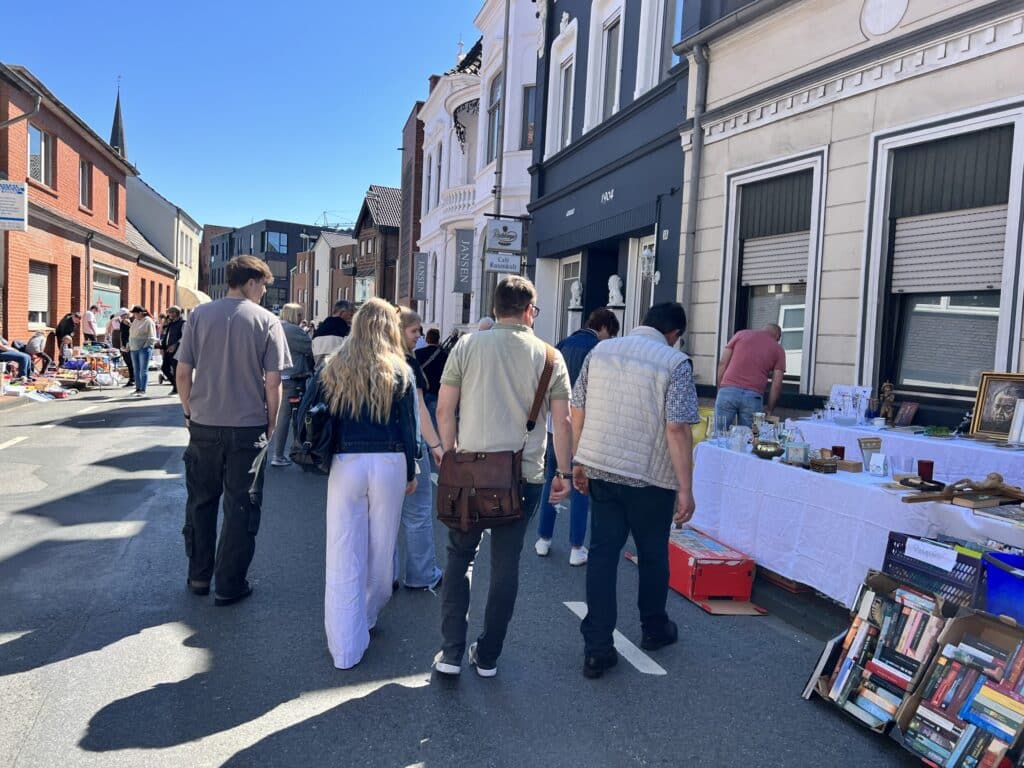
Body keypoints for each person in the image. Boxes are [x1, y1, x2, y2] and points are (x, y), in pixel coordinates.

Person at [433, 276, 573, 678]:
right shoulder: (550, 357)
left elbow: (444, 409)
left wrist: (448, 454)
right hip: (523, 476)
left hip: (469, 472)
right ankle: (488, 655)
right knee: (506, 564)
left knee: (460, 557)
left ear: (495, 309)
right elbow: (562, 421)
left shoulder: (467, 346)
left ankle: (451, 653)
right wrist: (563, 472)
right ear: (529, 311)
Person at [571, 302, 699, 679]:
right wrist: (685, 487)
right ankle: (654, 628)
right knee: (653, 554)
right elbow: (677, 428)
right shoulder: (675, 363)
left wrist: (579, 459)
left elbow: (577, 410)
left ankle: (597, 647)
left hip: (602, 468)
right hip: (650, 476)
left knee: (602, 555)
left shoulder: (601, 351)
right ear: (674, 334)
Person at [175, 255, 291, 607]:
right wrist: (272, 421)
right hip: (247, 426)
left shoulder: (199, 316)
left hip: (204, 424)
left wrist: (188, 411)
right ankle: (229, 584)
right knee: (242, 506)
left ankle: (199, 576)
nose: (264, 292)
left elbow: (183, 372)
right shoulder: (267, 321)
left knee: (201, 502)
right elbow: (273, 382)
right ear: (251, 282)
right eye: (264, 285)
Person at [321, 298, 418, 669]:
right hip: (390, 461)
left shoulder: (334, 366)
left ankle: (344, 645)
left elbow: (314, 415)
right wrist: (412, 471)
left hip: (346, 461)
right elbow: (409, 428)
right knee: (381, 548)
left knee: (342, 549)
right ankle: (369, 613)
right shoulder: (400, 371)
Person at [536, 307, 620, 567]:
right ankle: (576, 547)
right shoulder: (599, 350)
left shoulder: (562, 344)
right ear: (604, 328)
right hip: (583, 427)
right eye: (611, 334)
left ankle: (543, 539)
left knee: (553, 478)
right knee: (580, 483)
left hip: (554, 425)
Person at [396, 309, 444, 591]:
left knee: (385, 517)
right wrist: (436, 445)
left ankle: (386, 575)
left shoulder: (373, 358)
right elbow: (419, 411)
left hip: (379, 449)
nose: (419, 336)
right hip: (411, 447)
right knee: (417, 512)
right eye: (414, 331)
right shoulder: (407, 364)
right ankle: (421, 573)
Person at [714, 323, 786, 428]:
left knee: (718, 432)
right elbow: (776, 384)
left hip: (728, 391)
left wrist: (720, 389)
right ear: (777, 336)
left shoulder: (740, 335)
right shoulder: (778, 349)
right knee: (751, 435)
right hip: (753, 397)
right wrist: (770, 409)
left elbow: (723, 364)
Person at [270, 303, 314, 467]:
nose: (302, 318)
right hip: (294, 377)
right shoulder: (293, 330)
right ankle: (282, 454)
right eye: (300, 314)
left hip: (278, 376)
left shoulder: (275, 327)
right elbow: (311, 348)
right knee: (292, 417)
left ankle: (278, 453)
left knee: (280, 416)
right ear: (295, 315)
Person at [414, 327, 449, 433]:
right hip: (435, 392)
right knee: (433, 422)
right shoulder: (444, 355)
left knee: (419, 421)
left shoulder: (417, 353)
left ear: (426, 339)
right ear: (438, 340)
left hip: (420, 392)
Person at [127, 305, 157, 396]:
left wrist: (145, 346)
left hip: (144, 349)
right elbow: (131, 334)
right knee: (136, 369)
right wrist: (128, 345)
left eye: (135, 313)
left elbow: (152, 336)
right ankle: (138, 388)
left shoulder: (148, 321)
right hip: (133, 348)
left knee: (143, 370)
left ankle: (143, 389)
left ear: (140, 313)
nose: (134, 315)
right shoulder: (135, 321)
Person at [160, 307, 185, 396]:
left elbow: (184, 337)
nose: (169, 314)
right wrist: (162, 348)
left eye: (170, 312)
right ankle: (176, 385)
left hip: (177, 350)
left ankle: (176, 388)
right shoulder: (170, 323)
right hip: (167, 349)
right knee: (164, 368)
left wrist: (175, 345)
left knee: (175, 369)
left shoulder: (183, 323)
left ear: (175, 313)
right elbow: (166, 336)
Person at [119, 310, 135, 388]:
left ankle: (132, 379)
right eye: (121, 316)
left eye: (123, 315)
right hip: (125, 344)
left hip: (128, 344)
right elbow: (122, 334)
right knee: (129, 363)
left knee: (130, 363)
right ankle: (132, 379)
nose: (122, 317)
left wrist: (129, 324)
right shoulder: (123, 322)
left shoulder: (127, 321)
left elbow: (132, 331)